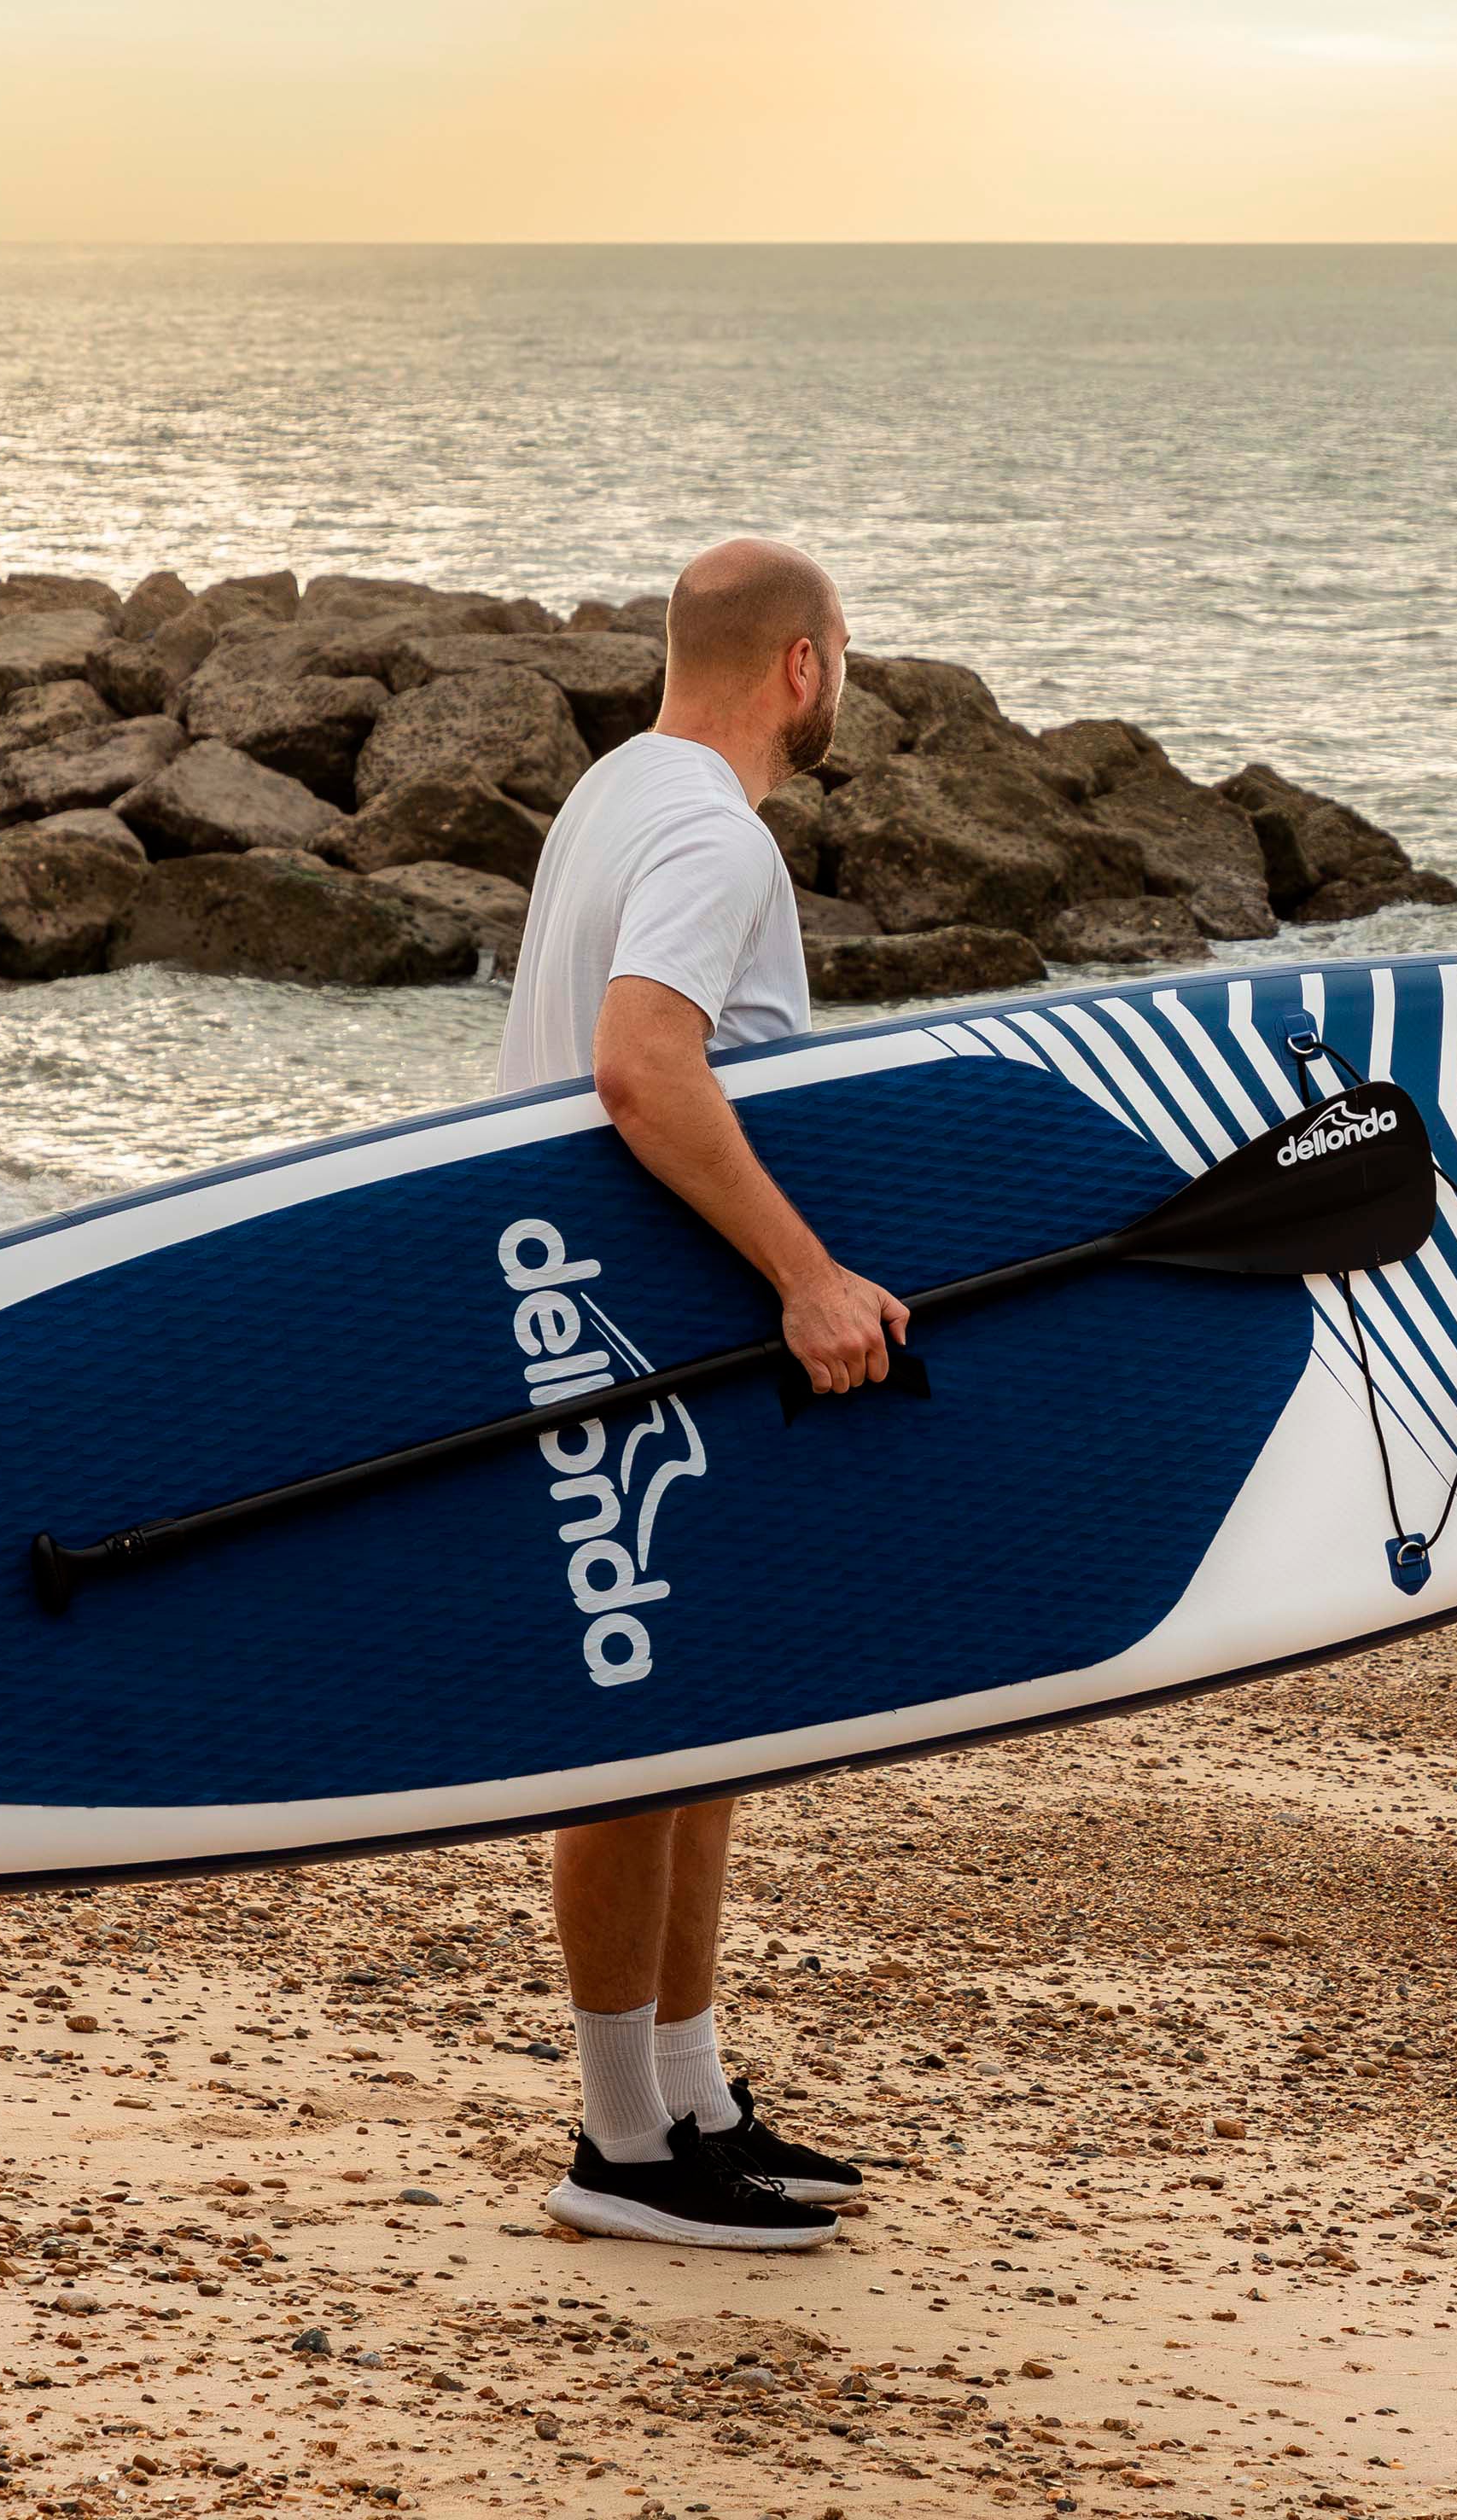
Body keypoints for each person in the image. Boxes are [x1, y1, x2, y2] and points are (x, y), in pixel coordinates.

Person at [496, 537, 906, 2251]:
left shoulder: (616, 793)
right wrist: (807, 1272)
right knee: (637, 1738)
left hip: (608, 1309)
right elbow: (640, 1066)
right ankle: (618, 2144)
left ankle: (690, 2093)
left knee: (703, 1728)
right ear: (802, 663)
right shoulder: (715, 833)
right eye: (845, 655)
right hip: (633, 1325)